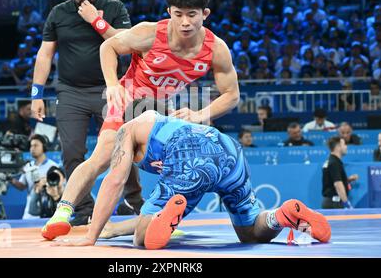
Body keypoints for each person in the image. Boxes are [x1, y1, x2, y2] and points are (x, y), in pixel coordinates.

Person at [41, 0, 241, 240]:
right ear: (169, 11)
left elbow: (232, 94)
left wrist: (201, 114)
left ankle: (125, 225)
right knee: (102, 158)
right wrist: (112, 85)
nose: (184, 22)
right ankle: (62, 212)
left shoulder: (216, 49)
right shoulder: (150, 33)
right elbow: (108, 46)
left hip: (160, 111)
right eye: (178, 14)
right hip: (127, 102)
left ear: (205, 14)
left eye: (192, 15)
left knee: (184, 169)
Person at [52, 101, 331, 248]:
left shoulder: (129, 128)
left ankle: (166, 219)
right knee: (249, 231)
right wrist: (112, 229)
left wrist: (92, 234)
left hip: (188, 156)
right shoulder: (165, 123)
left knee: (142, 237)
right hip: (228, 150)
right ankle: (280, 216)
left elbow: (114, 180)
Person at [31, 0, 140, 225]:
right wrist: (36, 94)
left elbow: (126, 45)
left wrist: (96, 20)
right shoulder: (58, 13)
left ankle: (134, 202)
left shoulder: (114, 8)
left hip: (110, 90)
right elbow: (45, 55)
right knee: (71, 152)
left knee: (123, 147)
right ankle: (82, 209)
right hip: (70, 92)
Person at [9, 134, 58, 219]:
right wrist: (10, 179)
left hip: (48, 210)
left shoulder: (53, 167)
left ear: (44, 147)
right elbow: (22, 186)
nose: (32, 148)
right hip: (29, 212)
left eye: (36, 145)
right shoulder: (28, 166)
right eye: (31, 146)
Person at [322, 136, 359, 209]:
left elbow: (332, 181)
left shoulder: (332, 161)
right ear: (338, 146)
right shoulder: (334, 163)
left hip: (331, 202)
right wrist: (346, 203)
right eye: (344, 144)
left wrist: (347, 180)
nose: (346, 147)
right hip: (334, 204)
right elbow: (338, 184)